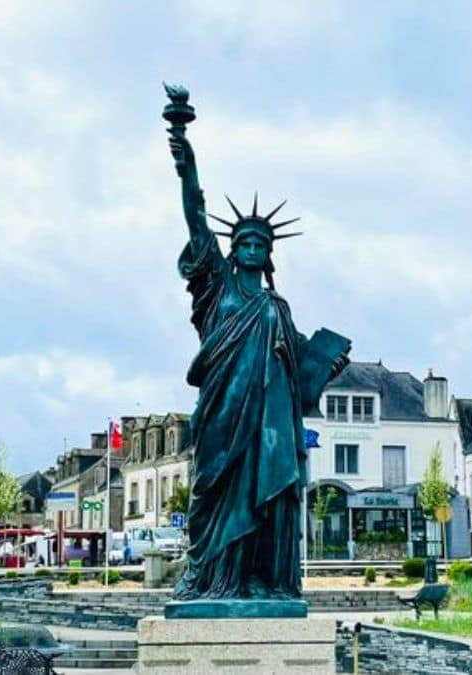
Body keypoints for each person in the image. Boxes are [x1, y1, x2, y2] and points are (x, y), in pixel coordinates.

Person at [165, 94, 349, 600]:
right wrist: (186, 156)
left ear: (268, 254)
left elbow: (297, 375)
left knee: (265, 498)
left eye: (259, 244)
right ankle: (209, 577)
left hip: (268, 422)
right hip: (223, 416)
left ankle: (257, 579)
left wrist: (325, 364)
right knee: (215, 494)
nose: (250, 249)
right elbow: (195, 214)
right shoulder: (217, 287)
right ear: (232, 249)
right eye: (243, 242)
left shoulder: (277, 307)